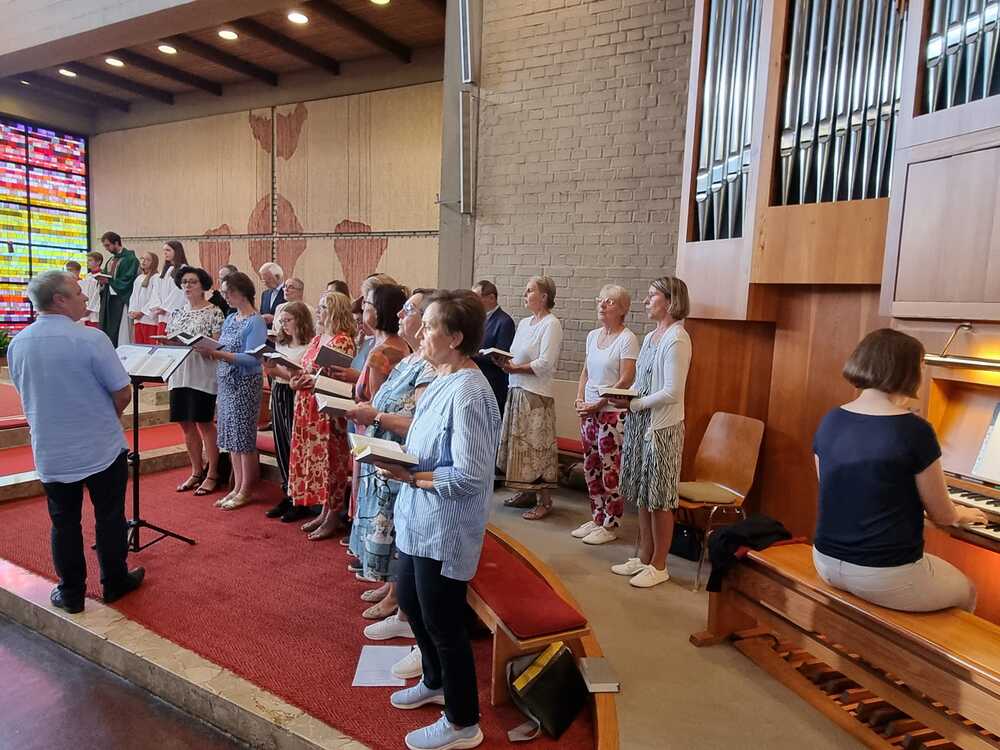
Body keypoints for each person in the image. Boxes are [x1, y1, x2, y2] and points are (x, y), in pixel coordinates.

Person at [374, 290, 501, 750]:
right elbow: (426, 441)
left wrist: (411, 476)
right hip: (418, 517)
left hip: (446, 526)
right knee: (411, 601)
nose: (421, 332)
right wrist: (395, 458)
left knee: (444, 624)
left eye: (429, 326)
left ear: (456, 337)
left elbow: (469, 476)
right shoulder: (440, 376)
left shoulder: (470, 392)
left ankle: (464, 722)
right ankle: (434, 682)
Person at [812, 329, 986, 612]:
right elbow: (943, 515)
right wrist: (961, 514)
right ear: (908, 371)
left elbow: (836, 491)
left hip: (825, 561)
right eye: (921, 365)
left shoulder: (831, 419)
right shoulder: (914, 431)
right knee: (967, 590)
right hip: (883, 574)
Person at [7, 270, 145, 614]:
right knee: (110, 516)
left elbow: (25, 392)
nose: (85, 297)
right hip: (100, 446)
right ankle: (115, 581)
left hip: (52, 448)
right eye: (78, 293)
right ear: (59, 300)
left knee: (63, 521)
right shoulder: (91, 339)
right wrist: (106, 416)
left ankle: (71, 593)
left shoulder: (19, 342)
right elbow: (122, 392)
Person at [346, 289, 437, 640]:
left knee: (397, 531)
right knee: (385, 526)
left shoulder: (428, 367)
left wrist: (375, 415)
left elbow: (420, 423)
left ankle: (400, 602)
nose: (400, 314)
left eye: (409, 310)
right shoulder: (412, 359)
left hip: (400, 458)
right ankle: (391, 589)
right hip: (383, 451)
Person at [610, 276, 692, 588]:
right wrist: (622, 396)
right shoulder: (651, 336)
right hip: (641, 422)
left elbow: (672, 391)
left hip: (662, 426)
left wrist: (636, 403)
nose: (645, 301)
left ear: (670, 301)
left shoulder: (677, 338)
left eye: (651, 296)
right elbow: (643, 383)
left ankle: (660, 565)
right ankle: (644, 557)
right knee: (643, 495)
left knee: (659, 498)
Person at [572, 285, 639, 545]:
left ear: (623, 309)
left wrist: (599, 404)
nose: (602, 305)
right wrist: (580, 398)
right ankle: (597, 516)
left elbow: (626, 379)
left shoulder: (627, 338)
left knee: (610, 470)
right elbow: (585, 372)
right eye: (600, 300)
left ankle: (611, 523)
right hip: (589, 413)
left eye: (609, 301)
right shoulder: (592, 336)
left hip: (611, 414)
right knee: (591, 467)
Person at [194, 272, 268, 510]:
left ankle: (246, 489)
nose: (225, 297)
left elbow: (253, 358)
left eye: (229, 292)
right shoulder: (230, 318)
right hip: (226, 381)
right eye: (224, 292)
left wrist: (219, 354)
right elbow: (224, 345)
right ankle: (236, 487)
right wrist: (209, 347)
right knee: (231, 437)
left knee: (243, 438)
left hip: (245, 382)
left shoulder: (255, 321)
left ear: (243, 292)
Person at [287, 292, 357, 534]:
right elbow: (304, 369)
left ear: (336, 311)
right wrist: (294, 381)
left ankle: (333, 515)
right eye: (319, 306)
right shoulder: (318, 338)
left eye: (324, 307)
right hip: (307, 406)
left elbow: (338, 378)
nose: (319, 311)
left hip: (327, 409)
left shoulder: (343, 341)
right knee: (316, 461)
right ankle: (324, 512)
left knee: (331, 463)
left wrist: (311, 380)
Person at [496, 276, 563, 520]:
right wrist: (504, 361)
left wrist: (516, 368)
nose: (525, 294)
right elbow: (515, 354)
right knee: (520, 448)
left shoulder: (551, 324)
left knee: (537, 449)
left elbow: (545, 363)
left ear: (544, 296)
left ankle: (545, 501)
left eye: (529, 290)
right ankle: (525, 492)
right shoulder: (525, 323)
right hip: (517, 389)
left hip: (537, 395)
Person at [166, 266, 226, 496]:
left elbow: (219, 343)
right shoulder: (177, 312)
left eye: (192, 282)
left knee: (204, 422)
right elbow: (169, 336)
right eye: (184, 282)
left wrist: (204, 345)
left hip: (203, 372)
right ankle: (196, 471)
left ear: (203, 286)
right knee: (185, 423)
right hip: (179, 372)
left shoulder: (214, 312)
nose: (187, 286)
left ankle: (213, 473)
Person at [262, 301, 314, 520]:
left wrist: (280, 372)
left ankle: (299, 498)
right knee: (281, 444)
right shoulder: (281, 343)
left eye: (288, 320)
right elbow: (275, 371)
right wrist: (270, 367)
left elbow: (301, 375)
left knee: (296, 446)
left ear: (300, 320)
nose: (283, 325)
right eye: (281, 321)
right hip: (280, 393)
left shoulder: (309, 345)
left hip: (297, 396)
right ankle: (287, 490)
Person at [471, 280, 516, 416]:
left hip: (493, 384)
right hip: (476, 381)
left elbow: (502, 353)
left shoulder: (504, 321)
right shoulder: (477, 320)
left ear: (491, 298)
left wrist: (470, 353)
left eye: (476, 298)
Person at [98, 231, 139, 346]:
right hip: (109, 299)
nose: (106, 249)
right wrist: (101, 281)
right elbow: (106, 275)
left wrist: (110, 281)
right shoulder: (111, 260)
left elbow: (128, 280)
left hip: (121, 299)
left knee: (121, 332)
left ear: (116, 243)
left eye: (108, 245)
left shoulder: (130, 259)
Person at [148, 241, 188, 336]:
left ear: (177, 251)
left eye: (168, 250)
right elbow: (156, 290)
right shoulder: (166, 270)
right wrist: (157, 306)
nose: (165, 253)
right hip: (162, 314)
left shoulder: (184, 269)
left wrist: (165, 307)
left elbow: (179, 292)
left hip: (173, 313)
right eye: (164, 250)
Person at [127, 251, 160, 344]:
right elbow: (134, 296)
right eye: (142, 258)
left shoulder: (156, 277)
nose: (143, 261)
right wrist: (132, 311)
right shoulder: (139, 278)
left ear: (154, 262)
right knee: (139, 345)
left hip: (148, 319)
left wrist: (142, 312)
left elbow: (155, 298)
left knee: (150, 345)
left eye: (148, 260)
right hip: (138, 319)